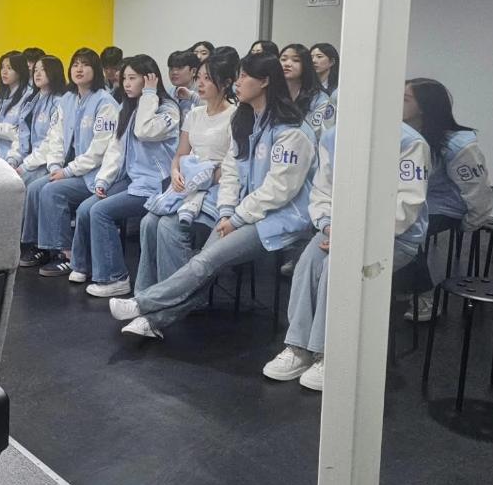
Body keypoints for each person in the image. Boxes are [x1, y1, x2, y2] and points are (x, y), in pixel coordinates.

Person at [110, 53, 316, 339]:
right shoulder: (248, 121)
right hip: (242, 211)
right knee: (203, 259)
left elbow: (279, 190)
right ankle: (152, 316)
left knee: (207, 261)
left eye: (244, 76)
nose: (238, 83)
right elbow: (232, 171)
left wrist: (237, 217)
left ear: (265, 81)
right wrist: (227, 211)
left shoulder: (291, 131)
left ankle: (145, 305)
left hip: (277, 218)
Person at [262, 122, 430, 390]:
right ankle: (298, 347)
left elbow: (407, 206)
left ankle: (331, 353)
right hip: (339, 228)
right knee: (307, 263)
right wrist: (329, 225)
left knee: (338, 267)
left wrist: (356, 237)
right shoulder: (332, 137)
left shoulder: (410, 142)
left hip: (393, 237)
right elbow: (322, 192)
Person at [69, 55, 180, 297]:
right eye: (124, 79)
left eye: (132, 78)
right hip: (132, 181)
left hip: (157, 186)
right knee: (86, 208)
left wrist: (149, 94)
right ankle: (84, 266)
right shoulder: (127, 108)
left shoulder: (168, 109)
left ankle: (115, 278)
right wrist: (103, 180)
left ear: (150, 78)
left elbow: (145, 130)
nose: (126, 84)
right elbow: (115, 149)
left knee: (100, 212)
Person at [136, 53, 238, 293]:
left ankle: (174, 294)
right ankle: (146, 291)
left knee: (168, 226)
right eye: (199, 77)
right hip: (189, 182)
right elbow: (180, 154)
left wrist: (202, 177)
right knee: (148, 222)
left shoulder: (234, 115)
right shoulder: (194, 114)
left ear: (225, 83)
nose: (200, 83)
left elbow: (233, 165)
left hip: (216, 187)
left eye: (208, 79)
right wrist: (175, 173)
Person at [402, 78, 493, 320]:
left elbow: (477, 188)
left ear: (424, 107)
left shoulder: (457, 144)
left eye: (405, 99)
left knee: (404, 231)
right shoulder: (403, 135)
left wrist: (473, 221)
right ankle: (401, 285)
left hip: (447, 207)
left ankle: (424, 298)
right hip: (419, 202)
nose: (397, 103)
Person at [19, 48, 117, 274]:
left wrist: (67, 171)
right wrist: (55, 166)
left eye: (85, 64)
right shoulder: (68, 100)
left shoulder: (105, 102)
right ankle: (40, 247)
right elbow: (55, 137)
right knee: (35, 188)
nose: (79, 69)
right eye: (75, 64)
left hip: (94, 174)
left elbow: (99, 151)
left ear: (96, 70)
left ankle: (66, 254)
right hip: (68, 170)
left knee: (52, 191)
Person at [11, 55, 66, 185]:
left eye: (43, 70)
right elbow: (20, 134)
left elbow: (50, 143)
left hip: (44, 162)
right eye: (35, 70)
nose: (38, 74)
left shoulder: (59, 103)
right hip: (28, 159)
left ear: (54, 72)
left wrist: (25, 166)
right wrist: (13, 159)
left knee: (14, 184)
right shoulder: (31, 101)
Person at [279, 43, 333, 139]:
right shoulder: (273, 94)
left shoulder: (320, 99)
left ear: (306, 65)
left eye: (296, 60)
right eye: (283, 59)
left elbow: (317, 134)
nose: (287, 64)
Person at [167, 49, 201, 122]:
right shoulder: (167, 93)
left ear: (194, 71)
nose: (174, 72)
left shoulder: (203, 93)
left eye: (180, 68)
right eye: (171, 68)